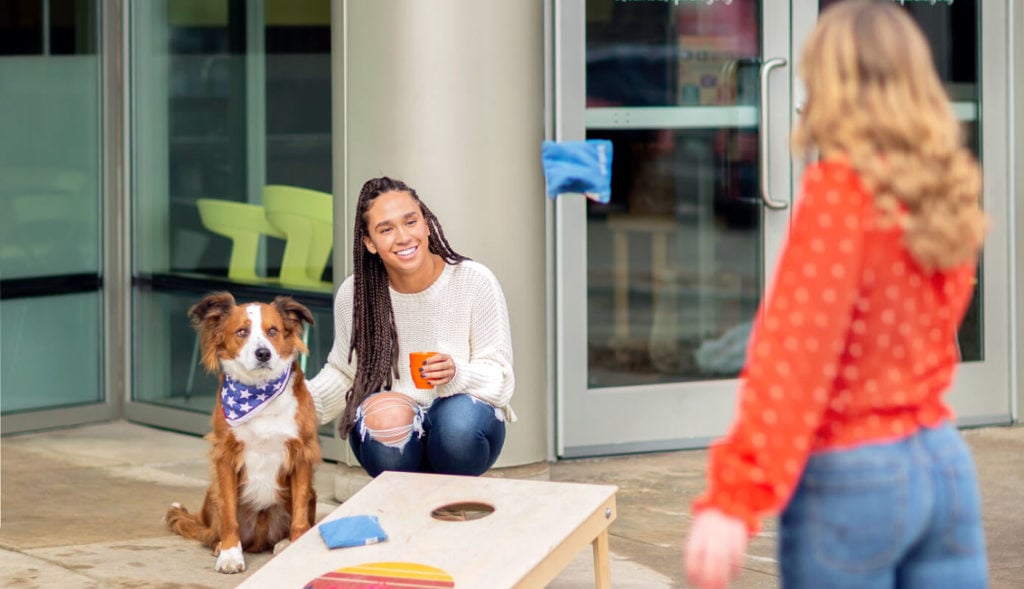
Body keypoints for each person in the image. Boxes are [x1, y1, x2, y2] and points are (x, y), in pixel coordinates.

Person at [683, 1, 989, 587]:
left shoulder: (842, 196)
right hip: (943, 466)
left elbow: (793, 362)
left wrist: (734, 496)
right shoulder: (944, 196)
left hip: (855, 479)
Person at [306, 176, 515, 477]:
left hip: (464, 423)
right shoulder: (356, 294)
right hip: (396, 423)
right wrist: (294, 404)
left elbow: (501, 377)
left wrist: (457, 373)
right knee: (386, 418)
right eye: (386, 229)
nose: (402, 237)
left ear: (426, 224)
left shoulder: (475, 281)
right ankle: (406, 509)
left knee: (456, 428)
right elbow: (345, 372)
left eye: (410, 222)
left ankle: (450, 505)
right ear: (370, 243)